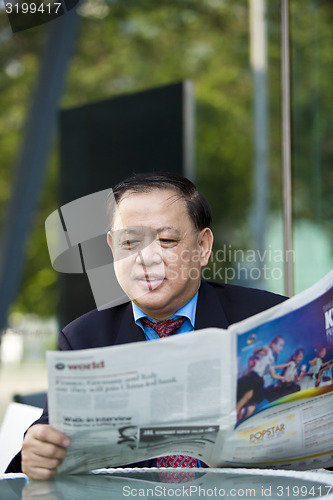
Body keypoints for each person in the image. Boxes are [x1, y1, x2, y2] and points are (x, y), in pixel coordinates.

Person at [6, 172, 287, 479]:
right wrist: (37, 454)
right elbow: (50, 436)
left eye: (166, 240)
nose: (146, 258)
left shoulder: (271, 319)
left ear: (203, 247)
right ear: (112, 247)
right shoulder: (83, 339)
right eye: (130, 242)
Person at [236, 335, 287, 421]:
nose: (281, 348)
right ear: (273, 345)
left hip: (259, 380)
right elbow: (255, 352)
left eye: (283, 346)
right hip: (253, 376)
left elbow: (273, 375)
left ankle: (242, 422)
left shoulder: (272, 359)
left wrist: (284, 377)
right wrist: (262, 348)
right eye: (280, 345)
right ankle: (236, 413)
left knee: (251, 407)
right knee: (248, 395)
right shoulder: (268, 351)